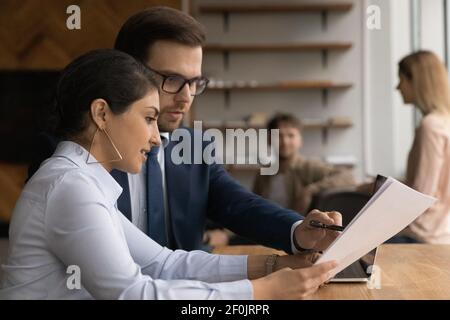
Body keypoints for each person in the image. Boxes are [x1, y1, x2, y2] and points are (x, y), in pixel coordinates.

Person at [0, 49, 337, 300]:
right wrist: (260, 292)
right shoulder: (70, 187)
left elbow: (162, 264)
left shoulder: (82, 181)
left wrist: (273, 268)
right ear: (102, 113)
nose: (155, 137)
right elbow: (134, 295)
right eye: (148, 118)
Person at [28, 6, 342, 255]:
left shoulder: (195, 144)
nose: (186, 96)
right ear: (129, 73)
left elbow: (239, 204)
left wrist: (298, 230)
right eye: (173, 79)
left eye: (195, 82)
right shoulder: (72, 150)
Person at [389, 51, 450, 244]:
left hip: (424, 236)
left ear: (416, 81)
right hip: (442, 232)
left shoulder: (430, 126)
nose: (397, 87)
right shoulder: (444, 122)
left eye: (401, 80)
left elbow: (422, 193)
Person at [253, 113, 355, 214]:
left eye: (291, 135)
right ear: (269, 141)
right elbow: (253, 205)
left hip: (296, 227)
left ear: (300, 140)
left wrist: (311, 190)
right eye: (279, 136)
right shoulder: (263, 173)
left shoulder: (308, 166)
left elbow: (347, 176)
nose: (285, 141)